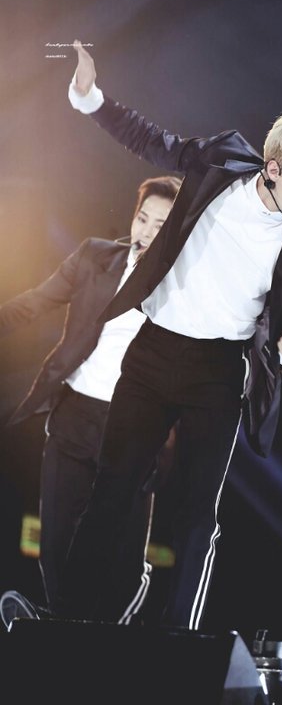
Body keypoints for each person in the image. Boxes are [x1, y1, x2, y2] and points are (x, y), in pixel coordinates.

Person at [2, 40, 282, 632]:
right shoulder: (220, 165)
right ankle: (65, 625)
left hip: (218, 373)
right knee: (112, 492)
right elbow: (151, 140)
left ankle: (178, 640)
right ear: (273, 169)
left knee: (195, 514)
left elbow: (278, 323)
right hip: (154, 353)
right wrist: (89, 98)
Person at [0, 174, 182, 629]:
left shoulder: (186, 285)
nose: (146, 231)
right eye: (142, 218)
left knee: (124, 563)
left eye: (160, 225)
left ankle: (76, 636)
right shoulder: (95, 256)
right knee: (56, 545)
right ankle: (63, 635)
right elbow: (35, 302)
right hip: (74, 415)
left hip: (133, 431)